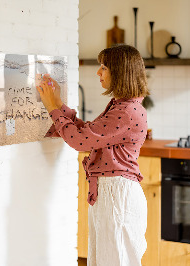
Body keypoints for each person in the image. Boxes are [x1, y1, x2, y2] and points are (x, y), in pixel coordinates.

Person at [37, 44, 149, 266]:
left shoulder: (126, 111)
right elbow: (88, 133)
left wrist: (52, 107)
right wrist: (58, 104)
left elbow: (80, 141)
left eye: (104, 67)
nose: (98, 72)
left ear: (120, 72)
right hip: (112, 193)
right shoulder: (122, 106)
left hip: (117, 195)